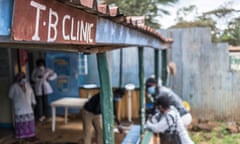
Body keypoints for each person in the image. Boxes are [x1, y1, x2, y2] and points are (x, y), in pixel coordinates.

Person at [9, 72, 36, 140]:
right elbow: (10, 96)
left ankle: (30, 135)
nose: (22, 78)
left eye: (23, 77)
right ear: (17, 78)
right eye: (20, 77)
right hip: (19, 107)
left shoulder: (27, 85)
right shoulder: (14, 86)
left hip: (28, 107)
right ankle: (21, 136)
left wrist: (33, 102)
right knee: (21, 123)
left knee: (30, 122)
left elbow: (32, 94)